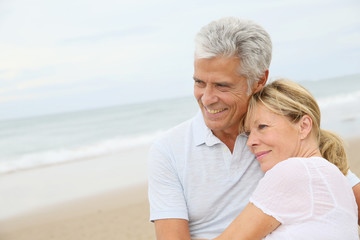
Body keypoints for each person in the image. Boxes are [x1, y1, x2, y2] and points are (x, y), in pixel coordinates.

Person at [148, 17, 360, 240]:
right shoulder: (168, 150)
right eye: (199, 82)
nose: (207, 98)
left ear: (259, 80)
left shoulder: (280, 140)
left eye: (222, 85)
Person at [208, 79, 359, 239]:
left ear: (304, 126)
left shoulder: (293, 171)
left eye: (262, 127)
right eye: (248, 133)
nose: (250, 142)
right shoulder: (338, 179)